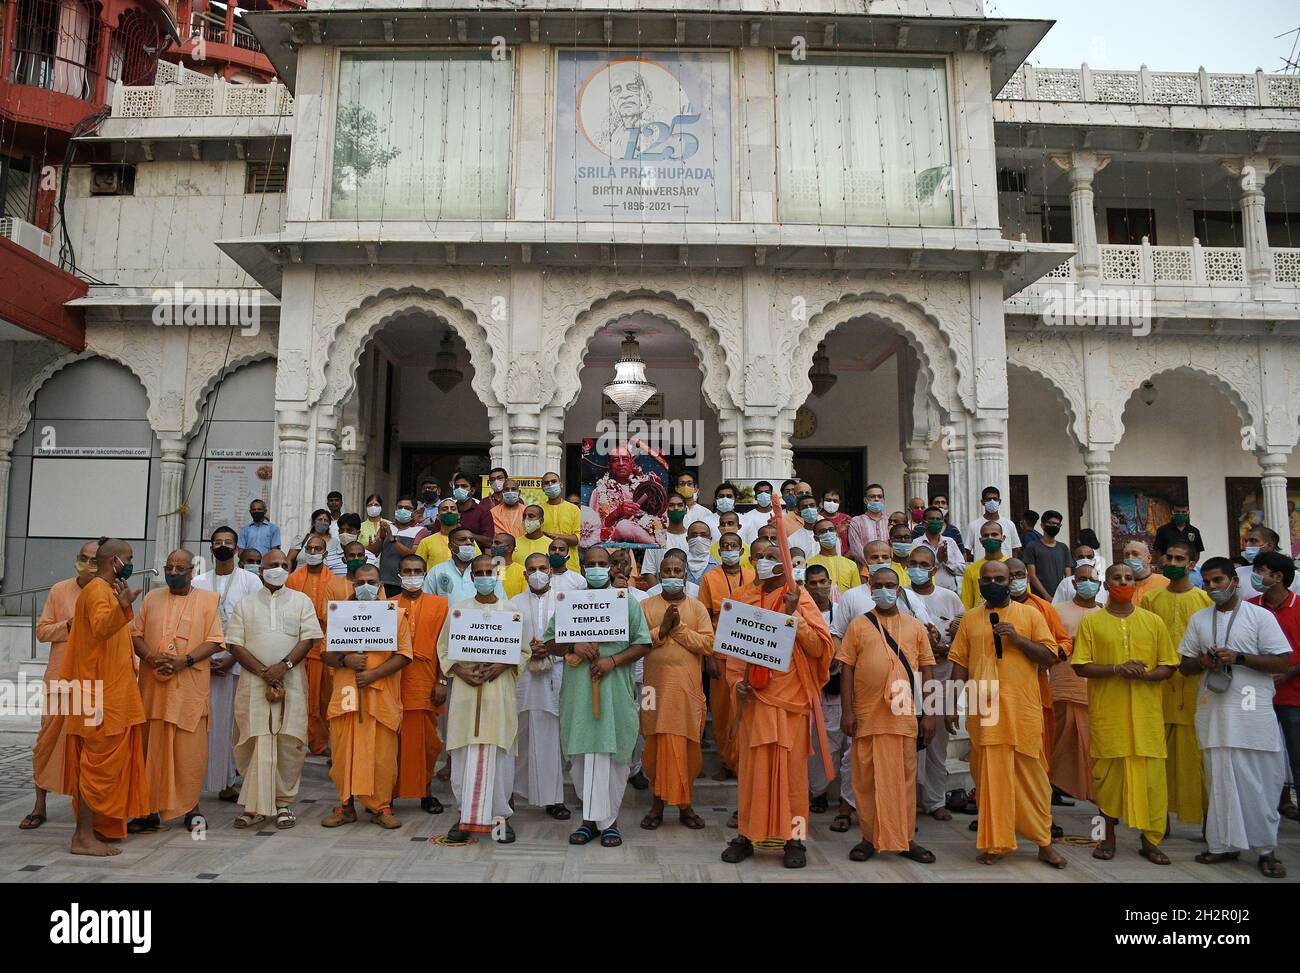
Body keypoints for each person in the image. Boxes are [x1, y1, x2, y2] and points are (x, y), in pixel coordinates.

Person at [720, 538, 834, 869]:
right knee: (753, 771)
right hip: (756, 700)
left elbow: (819, 649)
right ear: (751, 560)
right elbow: (733, 654)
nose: (765, 561)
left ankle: (794, 839)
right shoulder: (743, 598)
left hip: (792, 701)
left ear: (784, 561)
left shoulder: (800, 598)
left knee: (794, 776)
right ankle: (746, 834)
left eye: (772, 556)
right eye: (760, 556)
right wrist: (737, 684)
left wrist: (793, 614)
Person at [946, 559, 1066, 868]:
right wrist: (950, 703)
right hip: (984, 714)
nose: (993, 584)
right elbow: (959, 663)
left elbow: (1049, 656)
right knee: (990, 780)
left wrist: (1017, 638)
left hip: (1022, 711)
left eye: (999, 578)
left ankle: (1043, 843)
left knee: (1034, 782)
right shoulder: (970, 619)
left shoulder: (1030, 615)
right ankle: (996, 843)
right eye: (987, 579)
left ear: (1010, 581)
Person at [1177, 557, 1291, 877]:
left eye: (1217, 581)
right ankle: (1222, 845)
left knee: (1259, 784)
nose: (1212, 587)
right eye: (1207, 582)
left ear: (1234, 581)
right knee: (1219, 781)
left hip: (1253, 714)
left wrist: (1238, 657)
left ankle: (1266, 850)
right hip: (1214, 713)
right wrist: (1202, 662)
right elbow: (1183, 666)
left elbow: (1281, 662)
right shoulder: (1199, 620)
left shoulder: (1260, 617)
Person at [1072, 562, 1179, 864]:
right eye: (1116, 577)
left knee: (1152, 782)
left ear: (1136, 584)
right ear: (1106, 585)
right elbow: (1080, 665)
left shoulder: (1152, 622)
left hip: (1147, 717)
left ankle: (1151, 841)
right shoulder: (1093, 623)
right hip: (1110, 715)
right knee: (1106, 779)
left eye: (1128, 578)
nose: (1123, 581)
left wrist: (1144, 675)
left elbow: (1169, 665)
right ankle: (1107, 838)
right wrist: (1117, 669)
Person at [546, 545, 652, 847]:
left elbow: (643, 644)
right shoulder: (569, 602)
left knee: (613, 755)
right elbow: (550, 641)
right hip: (578, 693)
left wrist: (612, 661)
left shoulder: (626, 601)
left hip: (614, 690)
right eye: (590, 563)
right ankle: (588, 821)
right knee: (582, 757)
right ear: (582, 567)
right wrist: (572, 647)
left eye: (601, 563)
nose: (595, 567)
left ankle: (611, 823)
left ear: (611, 567)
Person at [55, 539, 150, 856]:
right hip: (98, 695)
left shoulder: (105, 589)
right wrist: (123, 607)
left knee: (101, 767)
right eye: (130, 558)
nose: (133, 563)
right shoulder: (98, 590)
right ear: (115, 561)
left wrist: (122, 605)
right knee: (95, 768)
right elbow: (100, 629)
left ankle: (97, 828)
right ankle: (82, 837)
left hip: (104, 692)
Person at [837, 565, 937, 863]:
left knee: (903, 781)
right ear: (870, 590)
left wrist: (930, 714)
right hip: (866, 716)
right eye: (878, 584)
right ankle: (869, 838)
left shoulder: (915, 626)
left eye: (889, 584)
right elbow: (846, 669)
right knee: (866, 781)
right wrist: (846, 711)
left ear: (899, 589)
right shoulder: (858, 625)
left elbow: (927, 670)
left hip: (903, 716)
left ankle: (906, 839)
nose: (883, 589)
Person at [225, 549, 323, 830]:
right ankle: (253, 806)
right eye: (272, 565)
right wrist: (263, 672)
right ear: (260, 571)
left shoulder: (301, 601)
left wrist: (284, 665)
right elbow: (235, 644)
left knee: (288, 740)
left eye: (283, 565)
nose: (278, 569)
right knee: (253, 738)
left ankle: (283, 803)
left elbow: (309, 638)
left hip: (291, 680)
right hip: (254, 682)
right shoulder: (245, 604)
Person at [128, 549, 224, 834]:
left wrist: (185, 661)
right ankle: (147, 812)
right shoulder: (151, 598)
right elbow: (135, 634)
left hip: (188, 690)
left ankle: (191, 809)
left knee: (188, 753)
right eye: (168, 567)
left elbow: (216, 640)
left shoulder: (208, 600)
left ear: (192, 570)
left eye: (179, 568)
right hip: (153, 690)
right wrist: (149, 657)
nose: (172, 573)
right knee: (150, 751)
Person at [437, 555, 525, 841]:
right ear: (472, 577)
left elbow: (523, 653)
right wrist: (461, 671)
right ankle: (466, 816)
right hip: (465, 692)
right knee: (463, 755)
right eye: (480, 572)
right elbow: (444, 650)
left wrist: (503, 664)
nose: (485, 576)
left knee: (499, 756)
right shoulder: (459, 611)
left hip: (498, 693)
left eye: (490, 571)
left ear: (497, 574)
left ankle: (499, 818)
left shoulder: (510, 611)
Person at [321, 563, 413, 829]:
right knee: (343, 752)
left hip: (379, 695)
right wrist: (345, 659)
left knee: (382, 756)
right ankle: (345, 806)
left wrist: (374, 674)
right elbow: (325, 652)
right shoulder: (339, 615)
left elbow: (404, 655)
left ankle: (381, 807)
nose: (365, 587)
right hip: (348, 692)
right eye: (360, 582)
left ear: (381, 586)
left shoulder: (394, 616)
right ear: (353, 585)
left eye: (371, 582)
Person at [22, 539, 100, 831]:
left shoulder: (107, 592)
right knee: (46, 743)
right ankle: (39, 805)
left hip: (94, 681)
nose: (88, 564)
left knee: (92, 747)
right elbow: (42, 632)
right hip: (59, 679)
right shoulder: (59, 590)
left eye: (94, 560)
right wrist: (68, 625)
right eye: (84, 558)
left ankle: (90, 812)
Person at [638, 549, 714, 830]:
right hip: (652, 691)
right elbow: (638, 644)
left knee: (688, 749)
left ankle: (685, 806)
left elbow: (708, 645)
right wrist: (661, 631)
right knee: (655, 747)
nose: (672, 575)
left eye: (677, 571)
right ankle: (656, 806)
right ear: (659, 575)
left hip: (687, 690)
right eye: (667, 571)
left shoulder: (696, 608)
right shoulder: (646, 605)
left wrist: (676, 629)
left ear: (685, 575)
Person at [1142, 539, 1214, 829]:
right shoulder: (1151, 599)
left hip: (1195, 688)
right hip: (1159, 688)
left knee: (1197, 757)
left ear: (1191, 563)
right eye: (1169, 558)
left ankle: (1210, 821)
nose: (1172, 563)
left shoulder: (1205, 601)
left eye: (1178, 559)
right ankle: (1161, 821)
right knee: (1159, 755)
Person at [193, 527, 262, 803]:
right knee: (207, 724)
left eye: (228, 542)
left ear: (237, 548)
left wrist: (234, 656)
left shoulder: (251, 581)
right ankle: (200, 777)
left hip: (238, 662)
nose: (222, 546)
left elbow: (254, 623)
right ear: (211, 548)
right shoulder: (198, 582)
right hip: (203, 663)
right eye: (217, 542)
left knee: (234, 723)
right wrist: (203, 658)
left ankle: (228, 782)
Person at [905, 545, 966, 821]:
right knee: (906, 741)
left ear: (933, 568)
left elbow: (961, 636)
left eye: (923, 564)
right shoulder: (899, 597)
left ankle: (935, 800)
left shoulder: (949, 597)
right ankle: (906, 799)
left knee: (937, 742)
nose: (918, 568)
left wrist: (945, 649)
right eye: (913, 563)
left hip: (941, 677)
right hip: (907, 679)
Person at [512, 553, 571, 820]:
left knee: (552, 736)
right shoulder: (513, 604)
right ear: (525, 575)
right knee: (520, 734)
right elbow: (508, 641)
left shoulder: (565, 601)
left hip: (556, 671)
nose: (538, 573)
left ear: (551, 571)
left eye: (542, 568)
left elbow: (572, 635)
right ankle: (513, 794)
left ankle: (553, 799)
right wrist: (529, 651)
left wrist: (549, 648)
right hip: (524, 676)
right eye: (532, 569)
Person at [286, 532, 354, 755]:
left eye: (318, 549)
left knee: (322, 699)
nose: (313, 552)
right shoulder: (293, 579)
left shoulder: (334, 582)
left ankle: (320, 742)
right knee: (297, 697)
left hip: (323, 648)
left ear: (325, 553)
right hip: (297, 647)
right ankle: (296, 739)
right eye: (310, 549)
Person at [391, 554, 449, 814]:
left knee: (426, 744)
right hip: (393, 683)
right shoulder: (388, 605)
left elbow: (445, 648)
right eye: (407, 571)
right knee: (392, 743)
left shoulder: (440, 605)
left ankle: (425, 791)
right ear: (399, 575)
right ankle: (387, 793)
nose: (412, 575)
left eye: (417, 571)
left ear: (425, 575)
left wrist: (441, 680)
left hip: (426, 680)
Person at [1248, 551, 1300, 827]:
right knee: (1260, 757)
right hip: (1255, 695)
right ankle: (1269, 811)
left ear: (1278, 577)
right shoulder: (1249, 607)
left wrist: (1288, 671)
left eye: (1261, 570)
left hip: (1293, 695)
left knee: (1297, 755)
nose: (1255, 576)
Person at [699, 530, 753, 781]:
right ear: (718, 552)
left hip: (750, 657)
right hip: (721, 655)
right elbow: (705, 619)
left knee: (745, 712)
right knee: (721, 714)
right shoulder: (710, 578)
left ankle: (745, 764)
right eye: (725, 546)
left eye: (734, 546)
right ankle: (726, 762)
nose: (729, 549)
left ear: (742, 552)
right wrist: (709, 656)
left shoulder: (753, 576)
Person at [1049, 561, 1103, 804]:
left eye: (1092, 580)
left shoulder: (1105, 613)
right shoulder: (1057, 611)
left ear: (1100, 584)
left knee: (1090, 736)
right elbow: (1048, 644)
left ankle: (1091, 788)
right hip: (1063, 680)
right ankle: (1056, 783)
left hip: (1094, 684)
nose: (1087, 584)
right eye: (1082, 579)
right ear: (1074, 583)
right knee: (1062, 735)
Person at [804, 565, 851, 818]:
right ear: (806, 586)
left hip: (840, 686)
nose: (819, 586)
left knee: (844, 748)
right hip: (811, 686)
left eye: (823, 581)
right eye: (813, 583)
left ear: (830, 582)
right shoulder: (803, 613)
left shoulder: (841, 612)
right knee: (818, 745)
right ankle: (818, 792)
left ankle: (846, 800)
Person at [425, 526, 503, 602]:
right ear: (451, 546)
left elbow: (500, 601)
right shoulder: (436, 571)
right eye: (462, 540)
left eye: (472, 540)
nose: (469, 542)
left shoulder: (488, 571)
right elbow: (428, 601)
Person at [379, 495, 429, 597]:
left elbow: (411, 554)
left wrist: (392, 539)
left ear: (414, 511)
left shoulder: (420, 530)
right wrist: (381, 536)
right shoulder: (388, 527)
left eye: (408, 508)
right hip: (384, 581)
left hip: (405, 583)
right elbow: (375, 551)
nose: (403, 510)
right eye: (400, 507)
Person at [910, 505, 967, 594]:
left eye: (938, 519)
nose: (936, 522)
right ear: (924, 523)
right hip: (924, 593)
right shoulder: (916, 544)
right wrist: (937, 560)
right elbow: (915, 571)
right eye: (932, 519)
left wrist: (947, 560)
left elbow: (963, 570)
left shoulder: (950, 542)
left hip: (950, 593)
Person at [641, 492, 690, 585]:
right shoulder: (656, 538)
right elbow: (648, 572)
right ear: (665, 509)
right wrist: (659, 594)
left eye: (680, 505)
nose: (676, 508)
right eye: (671, 505)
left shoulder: (691, 538)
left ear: (686, 510)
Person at [1024, 510, 1073, 601]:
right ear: (1042, 525)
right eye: (1051, 523)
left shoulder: (1063, 548)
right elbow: (1032, 575)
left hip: (1060, 598)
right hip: (1038, 598)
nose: (1054, 526)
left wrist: (1063, 595)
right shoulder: (1032, 547)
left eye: (1057, 524)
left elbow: (1068, 576)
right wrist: (1047, 596)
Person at [539, 471, 582, 572]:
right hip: (546, 566)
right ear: (543, 488)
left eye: (553, 481)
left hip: (570, 566)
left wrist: (557, 537)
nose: (550, 485)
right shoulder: (538, 510)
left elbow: (578, 538)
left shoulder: (574, 509)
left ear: (561, 484)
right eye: (546, 483)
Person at [960, 521, 1008, 609]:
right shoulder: (970, 570)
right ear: (981, 540)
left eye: (994, 534)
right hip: (979, 619)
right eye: (986, 535)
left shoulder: (1013, 566)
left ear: (1003, 538)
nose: (990, 538)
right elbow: (966, 605)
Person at [965, 486, 1020, 560]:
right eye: (988, 499)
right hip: (981, 569)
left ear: (999, 501)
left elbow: (1015, 549)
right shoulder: (973, 525)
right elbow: (967, 551)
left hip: (1005, 569)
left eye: (995, 499)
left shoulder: (1010, 524)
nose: (992, 501)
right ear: (982, 502)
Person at [809, 517, 859, 595]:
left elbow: (856, 594)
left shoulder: (851, 565)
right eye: (823, 531)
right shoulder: (809, 564)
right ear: (816, 538)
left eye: (831, 530)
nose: (828, 533)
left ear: (836, 533)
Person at [450, 470, 496, 549]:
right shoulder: (448, 510)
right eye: (457, 486)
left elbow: (489, 542)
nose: (459, 489)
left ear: (472, 490)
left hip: (474, 558)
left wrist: (467, 535)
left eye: (464, 486)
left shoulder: (483, 512)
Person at [847, 483, 891, 564]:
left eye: (879, 496)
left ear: (883, 500)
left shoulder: (890, 520)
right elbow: (856, 549)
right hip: (865, 571)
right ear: (865, 500)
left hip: (889, 569)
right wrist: (872, 565)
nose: (876, 499)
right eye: (872, 496)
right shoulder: (856, 521)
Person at [415, 498, 460, 571]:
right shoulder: (426, 542)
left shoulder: (468, 541)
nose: (449, 511)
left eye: (453, 509)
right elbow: (417, 568)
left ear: (458, 516)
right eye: (445, 509)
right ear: (438, 517)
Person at [1121, 540, 1169, 605]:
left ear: (1149, 558)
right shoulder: (1120, 585)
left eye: (1135, 554)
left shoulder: (1166, 583)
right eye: (1127, 555)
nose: (1130, 558)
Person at [490, 531, 527, 597]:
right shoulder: (486, 570)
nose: (493, 546)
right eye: (492, 543)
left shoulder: (522, 572)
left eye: (497, 543)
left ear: (510, 548)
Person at [739, 481, 777, 545]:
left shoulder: (779, 515)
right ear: (756, 496)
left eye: (767, 492)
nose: (764, 494)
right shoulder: (747, 517)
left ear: (771, 495)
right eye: (760, 492)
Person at [819, 488, 851, 553]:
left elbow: (853, 542)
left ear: (839, 502)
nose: (831, 503)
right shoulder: (818, 518)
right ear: (822, 501)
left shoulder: (846, 519)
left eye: (835, 501)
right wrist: (837, 532)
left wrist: (848, 556)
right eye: (828, 500)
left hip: (844, 558)